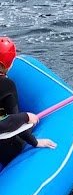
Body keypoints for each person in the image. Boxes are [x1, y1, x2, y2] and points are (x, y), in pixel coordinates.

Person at [0, 37, 56, 168]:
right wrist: (34, 141)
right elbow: (14, 126)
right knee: (21, 133)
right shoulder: (6, 85)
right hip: (4, 146)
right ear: (6, 64)